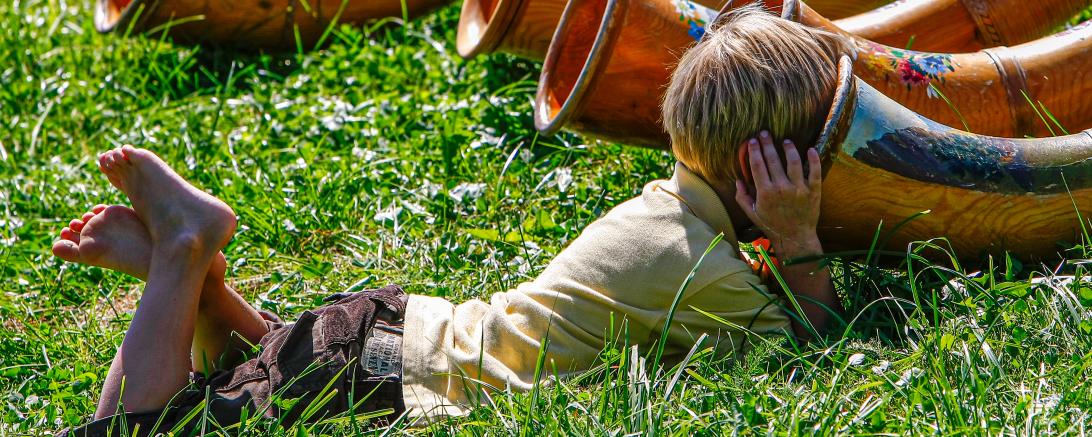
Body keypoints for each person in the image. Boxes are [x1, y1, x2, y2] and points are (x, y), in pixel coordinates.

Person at [55, 4, 849, 435]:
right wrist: (802, 239)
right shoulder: (702, 270)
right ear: (763, 167)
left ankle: (197, 283)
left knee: (257, 369)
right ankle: (181, 255)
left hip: (379, 333)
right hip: (388, 381)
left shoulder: (665, 206)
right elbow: (812, 354)